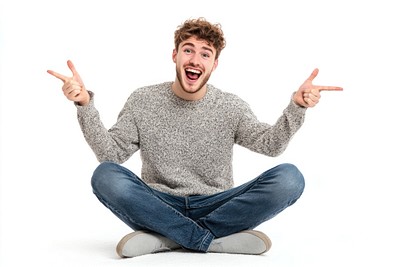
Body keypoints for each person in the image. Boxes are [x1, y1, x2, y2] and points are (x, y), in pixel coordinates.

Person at [47, 17, 342, 258]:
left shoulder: (230, 106)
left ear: (214, 64)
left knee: (290, 178)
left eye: (205, 54)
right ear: (175, 55)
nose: (195, 59)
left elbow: (270, 145)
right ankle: (209, 240)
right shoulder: (143, 100)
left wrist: (298, 106)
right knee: (105, 175)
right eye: (188, 50)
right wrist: (84, 104)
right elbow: (111, 156)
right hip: (157, 204)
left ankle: (168, 238)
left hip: (218, 204)